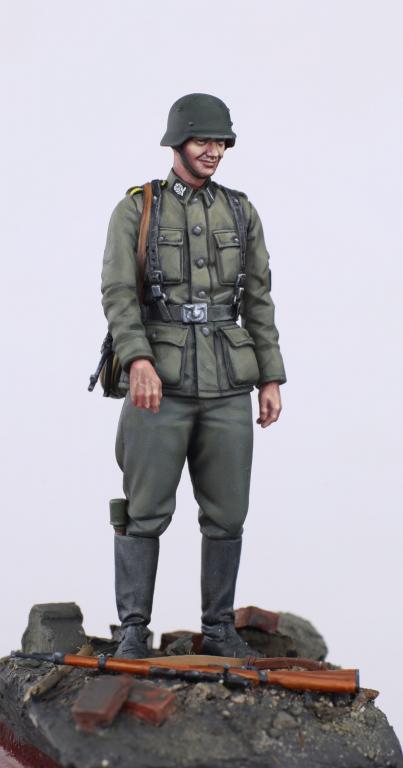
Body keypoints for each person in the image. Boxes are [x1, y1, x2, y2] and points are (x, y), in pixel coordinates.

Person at [101, 93, 286, 659]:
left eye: (220, 141)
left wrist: (271, 377)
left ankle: (220, 628)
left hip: (228, 381)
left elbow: (258, 300)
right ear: (178, 142)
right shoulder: (138, 210)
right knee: (144, 510)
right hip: (160, 381)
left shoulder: (240, 211)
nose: (214, 151)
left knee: (228, 512)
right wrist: (138, 359)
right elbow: (118, 294)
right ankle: (133, 630)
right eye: (203, 140)